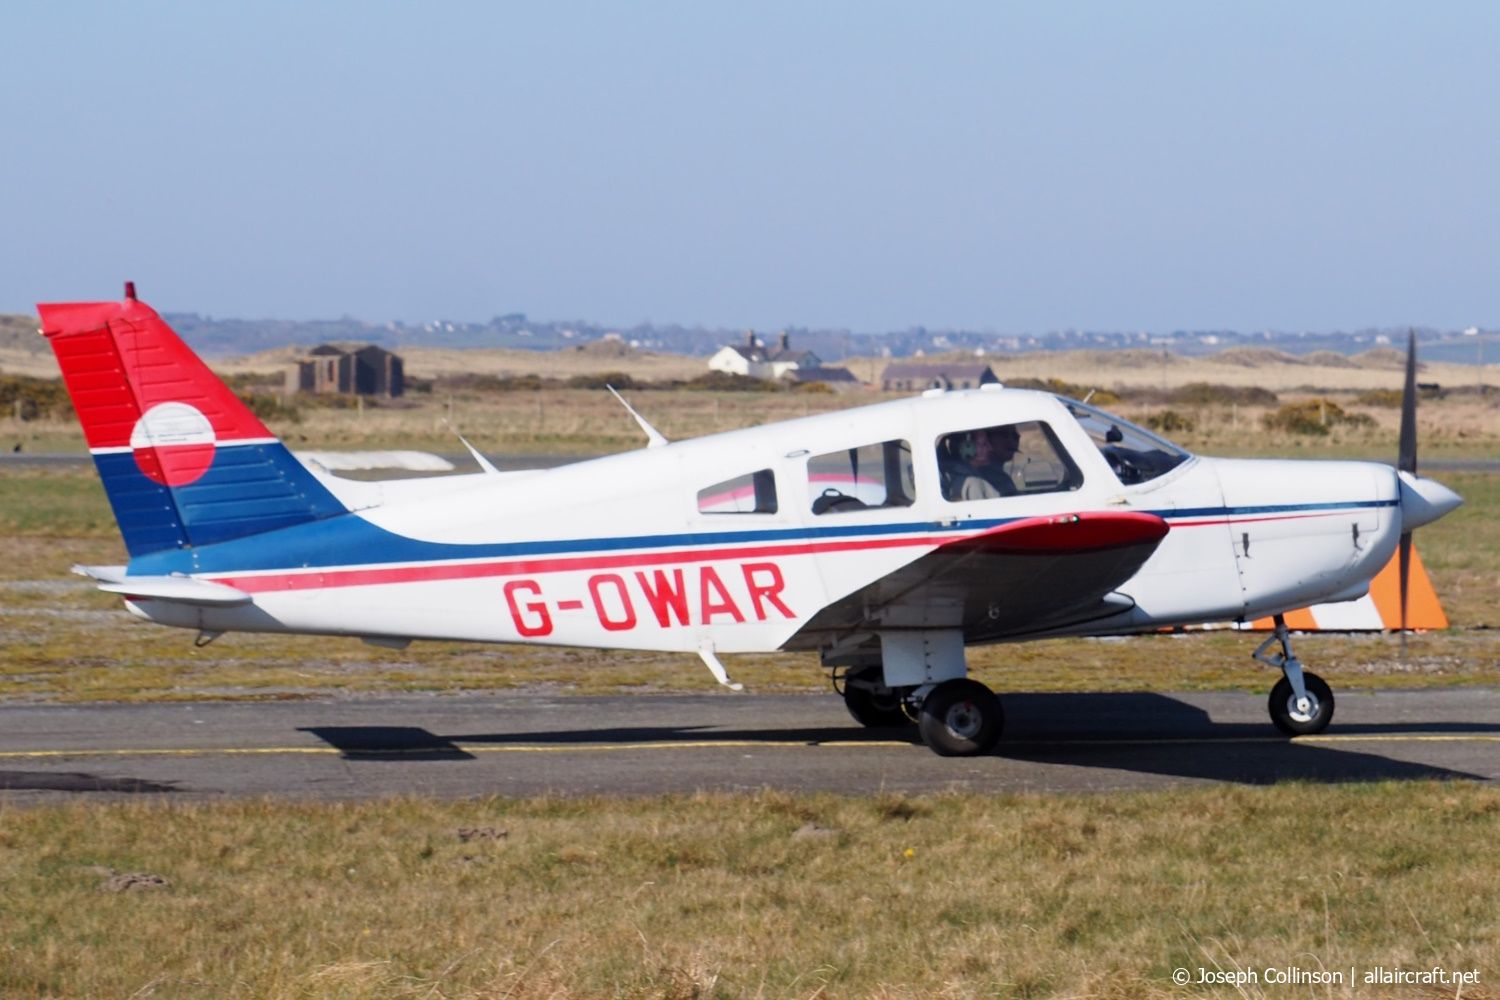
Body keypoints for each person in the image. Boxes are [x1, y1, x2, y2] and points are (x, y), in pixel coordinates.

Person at [952, 425, 1020, 500]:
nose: (990, 448)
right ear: (968, 448)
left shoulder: (976, 477)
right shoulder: (973, 483)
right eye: (984, 444)